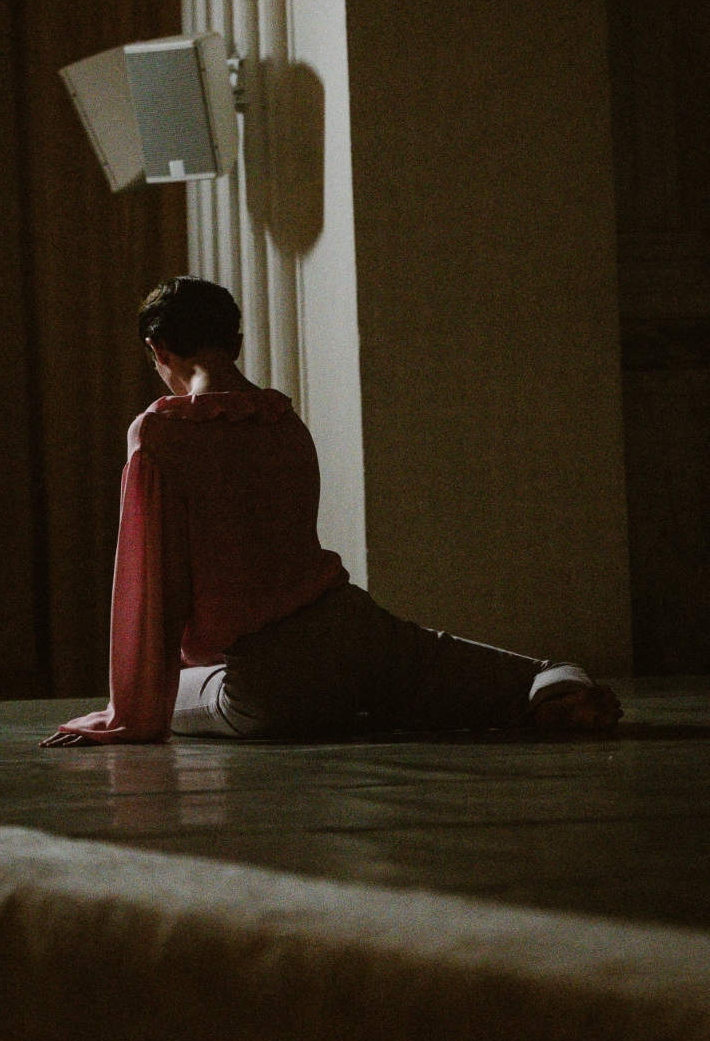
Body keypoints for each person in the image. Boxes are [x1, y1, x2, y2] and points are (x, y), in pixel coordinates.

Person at [41, 277, 621, 748]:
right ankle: (562, 690)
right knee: (526, 674)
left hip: (268, 683)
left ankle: (342, 708)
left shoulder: (159, 432)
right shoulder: (284, 423)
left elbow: (151, 587)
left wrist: (128, 715)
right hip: (354, 630)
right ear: (235, 341)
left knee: (179, 696)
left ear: (157, 350)